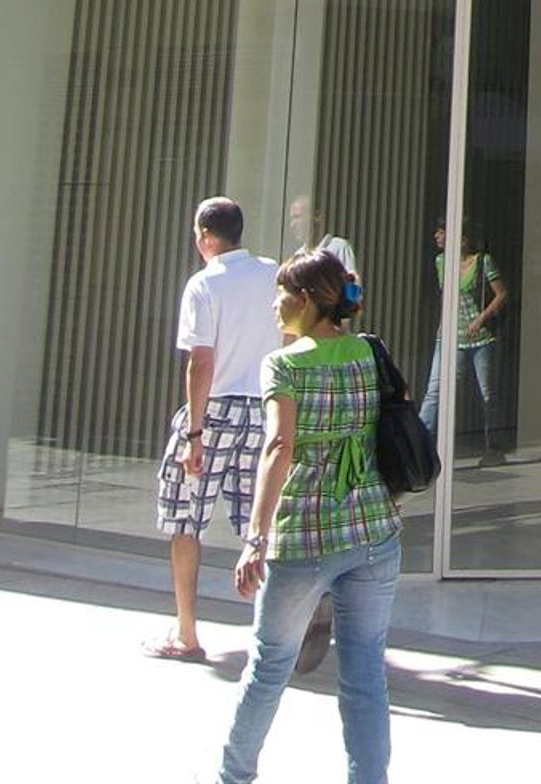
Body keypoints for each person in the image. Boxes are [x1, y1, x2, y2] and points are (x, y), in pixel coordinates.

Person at [212, 246, 402, 784]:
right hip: (374, 532)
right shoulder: (368, 352)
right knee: (365, 675)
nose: (273, 305)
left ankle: (233, 776)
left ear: (305, 299)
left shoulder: (284, 364)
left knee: (269, 666)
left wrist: (255, 538)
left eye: (280, 294)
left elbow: (279, 447)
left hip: (304, 536)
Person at [148, 197, 279, 663]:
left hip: (216, 410)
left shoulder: (204, 284)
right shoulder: (272, 274)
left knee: (185, 519)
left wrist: (195, 433)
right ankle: (278, 632)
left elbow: (200, 362)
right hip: (262, 410)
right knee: (259, 522)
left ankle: (186, 633)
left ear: (205, 235)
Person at [418, 222, 507, 460]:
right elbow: (445, 297)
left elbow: (501, 294)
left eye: (442, 232)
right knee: (435, 389)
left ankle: (494, 446)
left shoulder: (482, 262)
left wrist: (481, 319)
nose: (437, 236)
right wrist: (442, 325)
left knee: (487, 393)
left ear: (462, 238)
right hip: (449, 335)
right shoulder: (441, 262)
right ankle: (417, 443)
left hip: (480, 337)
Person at [286, 192, 358, 278]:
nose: (292, 225)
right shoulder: (298, 256)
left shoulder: (338, 248)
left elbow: (351, 282)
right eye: (291, 219)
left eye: (297, 217)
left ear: (317, 216)